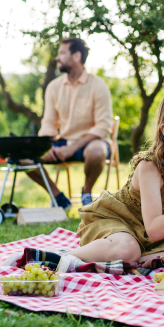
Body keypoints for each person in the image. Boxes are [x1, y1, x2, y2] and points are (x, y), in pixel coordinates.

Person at [26, 90, 164, 271]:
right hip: (116, 221)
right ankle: (60, 258)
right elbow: (155, 227)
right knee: (128, 249)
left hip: (147, 237)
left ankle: (130, 263)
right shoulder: (150, 166)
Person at [27, 38, 113, 210]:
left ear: (76, 56)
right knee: (21, 156)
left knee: (97, 151)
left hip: (90, 143)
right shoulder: (54, 87)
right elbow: (49, 123)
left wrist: (71, 149)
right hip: (62, 143)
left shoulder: (99, 86)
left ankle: (86, 194)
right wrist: (47, 145)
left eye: (62, 53)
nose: (57, 58)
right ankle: (58, 197)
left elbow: (103, 127)